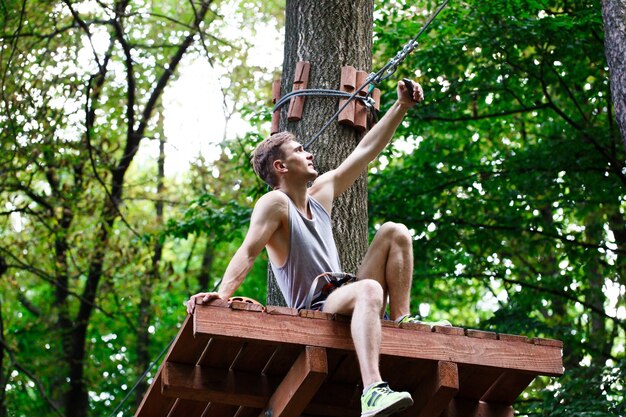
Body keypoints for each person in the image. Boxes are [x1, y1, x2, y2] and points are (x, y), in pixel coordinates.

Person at [187, 78, 449, 417]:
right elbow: (248, 251)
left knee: (394, 232)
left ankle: (401, 320)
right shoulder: (275, 203)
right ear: (280, 167)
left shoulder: (321, 193)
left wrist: (401, 107)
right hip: (316, 306)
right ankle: (373, 391)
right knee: (368, 288)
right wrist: (222, 295)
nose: (309, 153)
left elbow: (365, 151)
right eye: (298, 150)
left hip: (345, 291)